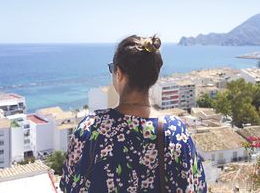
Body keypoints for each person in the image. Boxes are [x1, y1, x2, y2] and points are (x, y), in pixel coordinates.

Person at [60, 35, 207, 193]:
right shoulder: (176, 132)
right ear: (154, 76)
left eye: (112, 68)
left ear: (119, 73)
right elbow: (196, 187)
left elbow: (69, 185)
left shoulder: (90, 129)